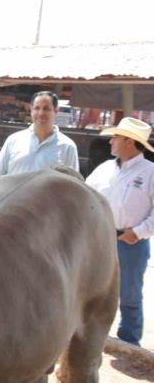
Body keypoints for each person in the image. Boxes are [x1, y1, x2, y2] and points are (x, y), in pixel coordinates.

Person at [85, 117, 154, 347]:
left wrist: (138, 232)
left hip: (130, 242)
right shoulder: (104, 169)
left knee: (130, 296)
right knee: (91, 288)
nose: (112, 141)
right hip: (100, 239)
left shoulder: (150, 173)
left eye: (116, 137)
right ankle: (89, 336)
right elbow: (86, 194)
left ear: (130, 141)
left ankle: (129, 342)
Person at [0, 91, 79, 180]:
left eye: (46, 108)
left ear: (56, 111)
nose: (41, 113)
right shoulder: (14, 140)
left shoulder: (67, 146)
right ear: (31, 110)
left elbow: (74, 184)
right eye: (37, 108)